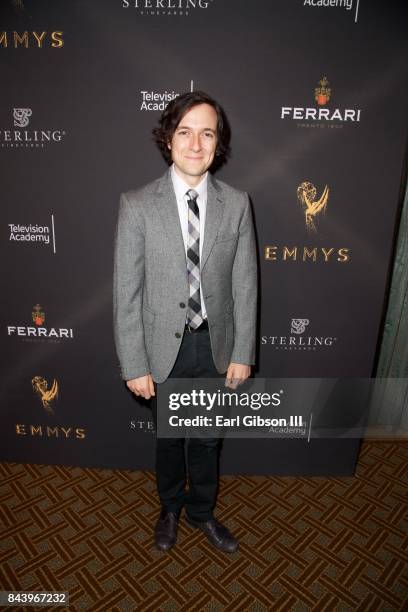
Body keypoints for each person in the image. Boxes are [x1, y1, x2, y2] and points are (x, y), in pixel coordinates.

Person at [113, 91, 257, 554]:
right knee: (170, 439)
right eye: (185, 132)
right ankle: (170, 509)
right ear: (168, 138)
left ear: (219, 142)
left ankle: (202, 513)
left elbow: (246, 284)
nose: (196, 144)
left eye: (207, 133)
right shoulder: (137, 204)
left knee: (208, 441)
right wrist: (134, 361)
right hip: (162, 347)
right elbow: (126, 291)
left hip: (214, 344)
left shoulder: (236, 204)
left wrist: (242, 352)